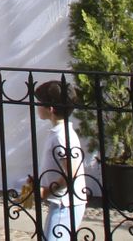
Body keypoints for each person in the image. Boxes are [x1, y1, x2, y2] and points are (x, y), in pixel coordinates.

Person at [27, 80, 89, 241]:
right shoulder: (59, 131)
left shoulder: (62, 135)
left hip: (65, 204)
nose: (37, 106)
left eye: (40, 103)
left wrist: (47, 191)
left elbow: (71, 172)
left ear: (51, 109)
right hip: (61, 203)